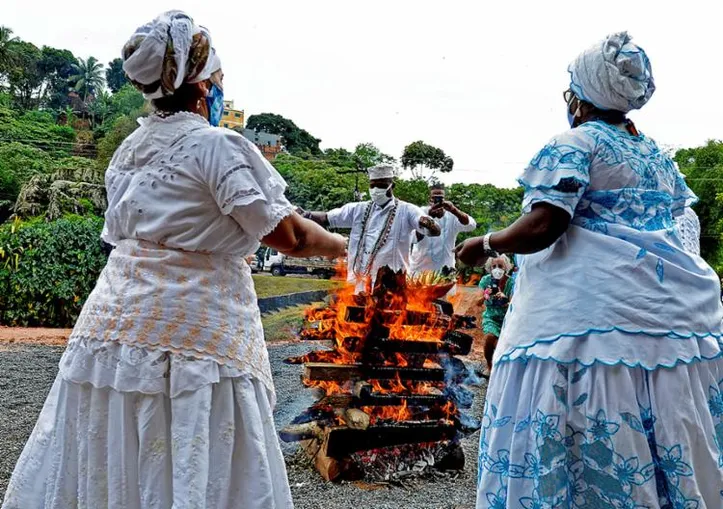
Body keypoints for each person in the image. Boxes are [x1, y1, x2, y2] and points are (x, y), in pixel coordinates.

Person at [2, 11, 345, 509]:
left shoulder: (129, 149)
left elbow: (119, 235)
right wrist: (342, 247)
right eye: (220, 81)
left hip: (110, 329)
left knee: (114, 441)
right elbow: (288, 235)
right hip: (193, 333)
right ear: (204, 87)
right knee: (192, 439)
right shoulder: (218, 145)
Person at [456, 32, 723, 507]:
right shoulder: (658, 157)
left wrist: (484, 243)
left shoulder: (575, 142)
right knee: (660, 431)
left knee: (576, 435)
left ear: (581, 97)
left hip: (580, 324)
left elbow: (546, 223)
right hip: (669, 322)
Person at [304, 165, 440, 290]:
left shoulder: (407, 210)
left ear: (392, 186)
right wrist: (304, 214)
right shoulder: (358, 209)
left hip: (392, 286)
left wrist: (426, 222)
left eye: (381, 185)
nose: (376, 190)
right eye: (373, 185)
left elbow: (434, 231)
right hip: (359, 283)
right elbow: (326, 218)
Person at [410, 183, 477, 276]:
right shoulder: (420, 212)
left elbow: (471, 225)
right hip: (420, 271)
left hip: (446, 271)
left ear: (445, 199)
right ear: (429, 199)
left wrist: (454, 210)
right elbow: (413, 238)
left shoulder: (452, 215)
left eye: (440, 198)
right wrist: (428, 218)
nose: (437, 201)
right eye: (434, 198)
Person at [477, 254, 514, 375]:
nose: (497, 269)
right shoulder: (485, 280)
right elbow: (477, 303)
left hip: (507, 318)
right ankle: (489, 365)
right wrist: (485, 294)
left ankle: (502, 368)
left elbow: (515, 304)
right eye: (494, 266)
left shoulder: (511, 282)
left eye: (500, 266)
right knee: (490, 338)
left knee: (501, 344)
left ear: (506, 267)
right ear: (490, 268)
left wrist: (505, 300)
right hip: (491, 317)